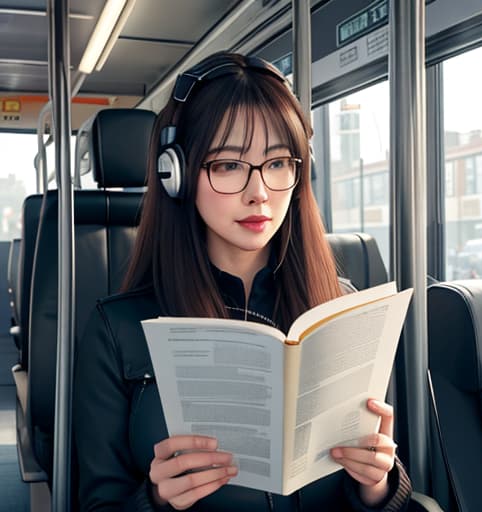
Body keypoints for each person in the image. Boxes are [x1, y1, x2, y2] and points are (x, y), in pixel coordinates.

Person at [73, 52, 412, 511]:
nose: (259, 192)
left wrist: (379, 487)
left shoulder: (341, 308)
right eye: (228, 165)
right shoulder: (117, 330)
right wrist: (153, 500)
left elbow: (374, 478)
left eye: (277, 164)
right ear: (177, 174)